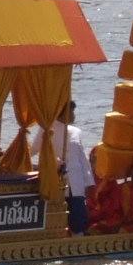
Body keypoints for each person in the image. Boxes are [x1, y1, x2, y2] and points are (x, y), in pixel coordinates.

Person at [43, 99, 92, 233]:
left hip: (76, 180)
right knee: (58, 214)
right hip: (58, 179)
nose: (74, 116)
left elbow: (83, 159)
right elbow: (35, 149)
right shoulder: (48, 129)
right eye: (71, 112)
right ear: (64, 113)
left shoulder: (76, 132)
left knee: (78, 214)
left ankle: (79, 236)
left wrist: (89, 181)